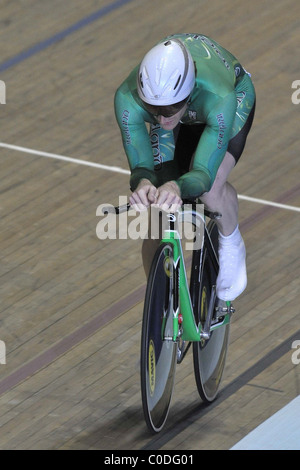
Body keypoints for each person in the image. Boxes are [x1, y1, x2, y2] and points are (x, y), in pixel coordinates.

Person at [114, 33, 256, 302]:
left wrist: (178, 185)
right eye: (153, 108)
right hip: (189, 109)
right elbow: (141, 165)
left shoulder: (218, 96)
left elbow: (202, 173)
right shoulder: (128, 98)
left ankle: (231, 239)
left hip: (231, 101)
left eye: (169, 109)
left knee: (210, 189)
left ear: (188, 95)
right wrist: (143, 182)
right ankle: (161, 303)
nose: (160, 116)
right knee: (159, 202)